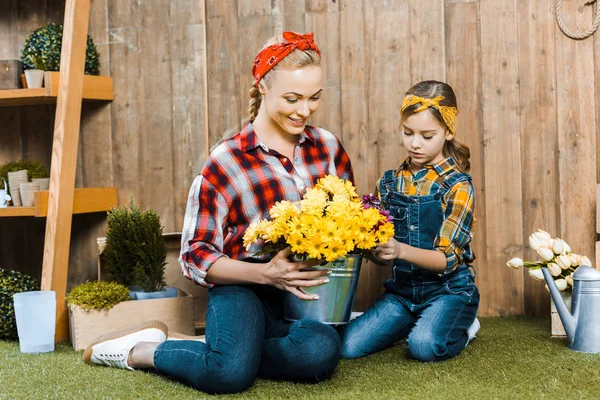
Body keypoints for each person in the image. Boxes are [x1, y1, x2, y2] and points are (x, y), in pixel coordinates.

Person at [82, 31, 354, 394]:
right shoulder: (225, 163)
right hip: (242, 288)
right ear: (261, 87)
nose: (304, 110)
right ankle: (144, 350)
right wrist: (268, 275)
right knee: (227, 376)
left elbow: (351, 219)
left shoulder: (328, 147)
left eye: (314, 98)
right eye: (292, 98)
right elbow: (195, 255)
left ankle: (221, 349)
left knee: (320, 350)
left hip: (305, 297)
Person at [339, 80, 480, 362]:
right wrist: (377, 250)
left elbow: (447, 260)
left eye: (427, 136)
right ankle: (413, 322)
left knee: (423, 347)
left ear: (448, 132)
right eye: (408, 132)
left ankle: (463, 328)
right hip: (402, 294)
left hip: (447, 291)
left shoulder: (458, 186)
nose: (415, 143)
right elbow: (380, 252)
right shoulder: (389, 183)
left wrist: (401, 250)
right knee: (346, 347)